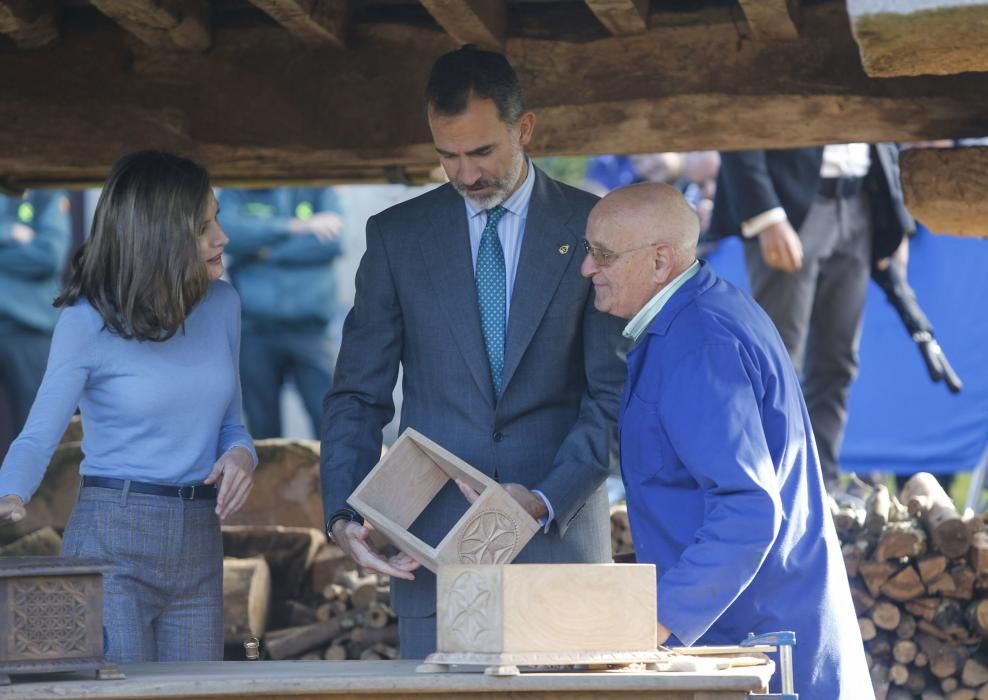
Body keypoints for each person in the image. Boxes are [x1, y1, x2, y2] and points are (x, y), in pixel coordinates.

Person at [321, 45, 626, 659]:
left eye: (482, 152)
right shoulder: (395, 238)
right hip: (430, 550)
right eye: (447, 156)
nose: (464, 175)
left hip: (559, 542)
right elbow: (358, 394)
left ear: (526, 129)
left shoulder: (594, 224)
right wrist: (345, 515)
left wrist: (543, 499)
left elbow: (614, 395)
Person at [582, 182, 871, 699]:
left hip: (759, 646)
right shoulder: (698, 314)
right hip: (753, 632)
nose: (587, 269)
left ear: (659, 262)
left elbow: (748, 508)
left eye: (602, 255)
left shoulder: (698, 341)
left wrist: (657, 624)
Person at [0, 151, 257, 663]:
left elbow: (233, 425)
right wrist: (8, 492)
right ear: (158, 236)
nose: (221, 237)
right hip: (112, 543)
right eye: (203, 227)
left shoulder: (224, 305)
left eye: (218, 217)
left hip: (199, 545)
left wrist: (242, 457)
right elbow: (36, 436)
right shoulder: (85, 321)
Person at [709, 144, 913, 490]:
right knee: (777, 364)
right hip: (789, 204)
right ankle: (774, 488)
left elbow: (883, 132)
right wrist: (766, 214)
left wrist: (894, 214)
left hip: (860, 199)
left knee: (837, 362)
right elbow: (740, 123)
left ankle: (823, 486)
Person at [218, 187, 344, 438]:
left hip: (311, 331)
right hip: (255, 331)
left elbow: (332, 242)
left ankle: (336, 479)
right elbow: (229, 233)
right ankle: (266, 477)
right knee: (262, 429)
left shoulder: (320, 187)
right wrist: (294, 227)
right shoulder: (237, 190)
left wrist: (264, 252)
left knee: (331, 421)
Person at [0, 190, 71, 459]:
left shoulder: (42, 190)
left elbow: (49, 255)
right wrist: (10, 232)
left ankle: (38, 501)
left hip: (31, 331)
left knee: (38, 435)